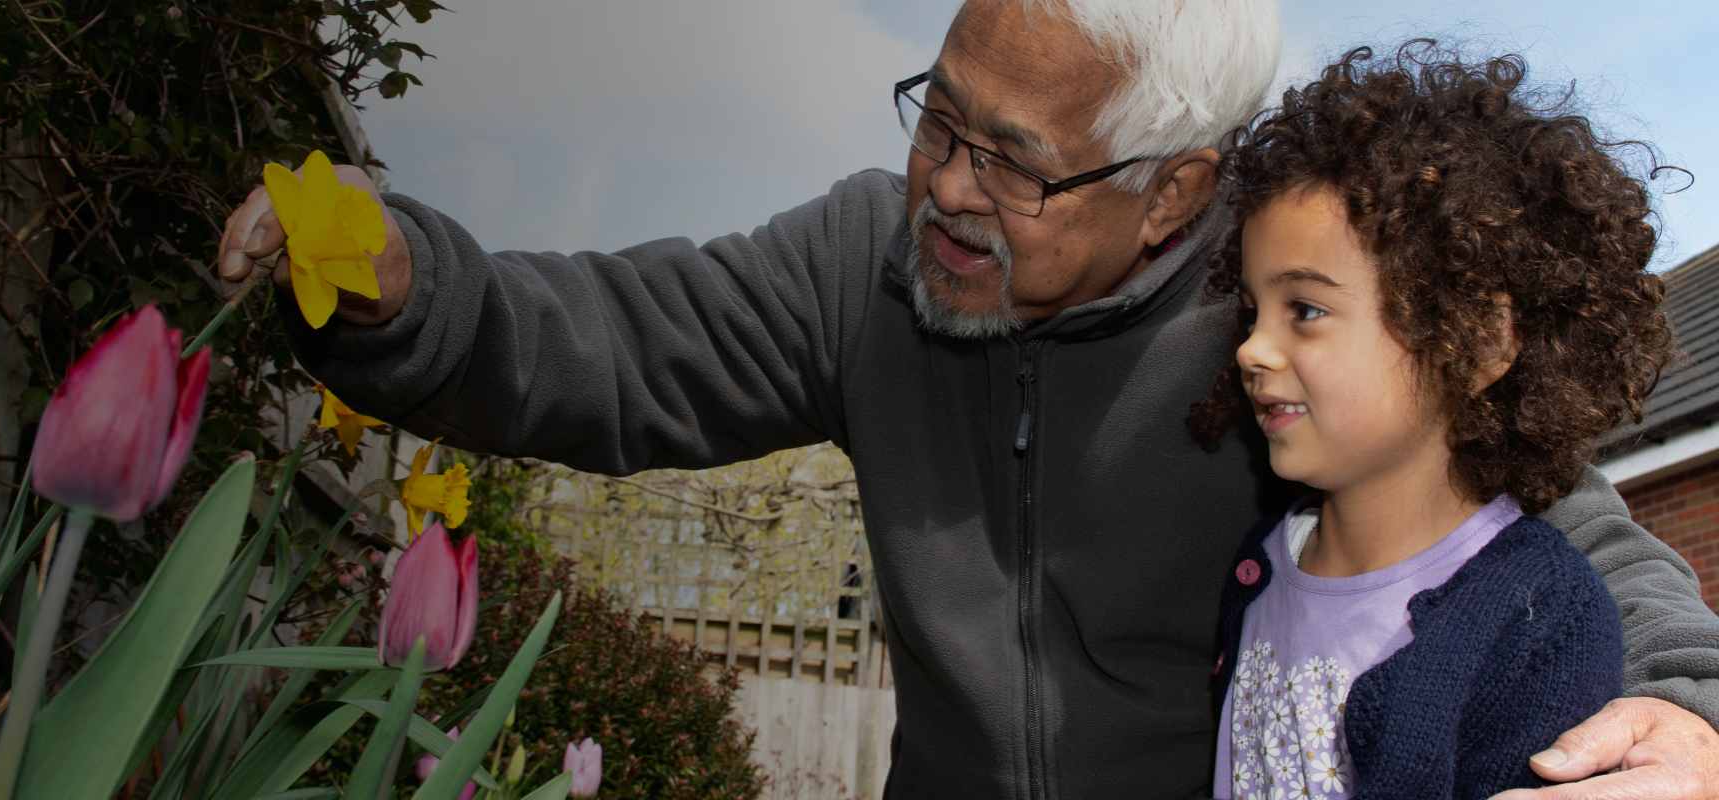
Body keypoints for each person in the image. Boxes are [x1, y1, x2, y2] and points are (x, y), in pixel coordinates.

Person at [212, 1, 1719, 796]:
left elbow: (1549, 527)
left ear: (1173, 188)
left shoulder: (1281, 327)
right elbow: (600, 339)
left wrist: (1682, 713)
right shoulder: (867, 264)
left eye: (1013, 160)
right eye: (940, 111)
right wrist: (405, 283)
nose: (943, 183)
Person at [1194, 41, 1669, 798]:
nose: (1253, 347)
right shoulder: (1260, 564)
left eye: (1305, 310)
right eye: (1252, 311)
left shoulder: (1541, 622)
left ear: (1478, 341)